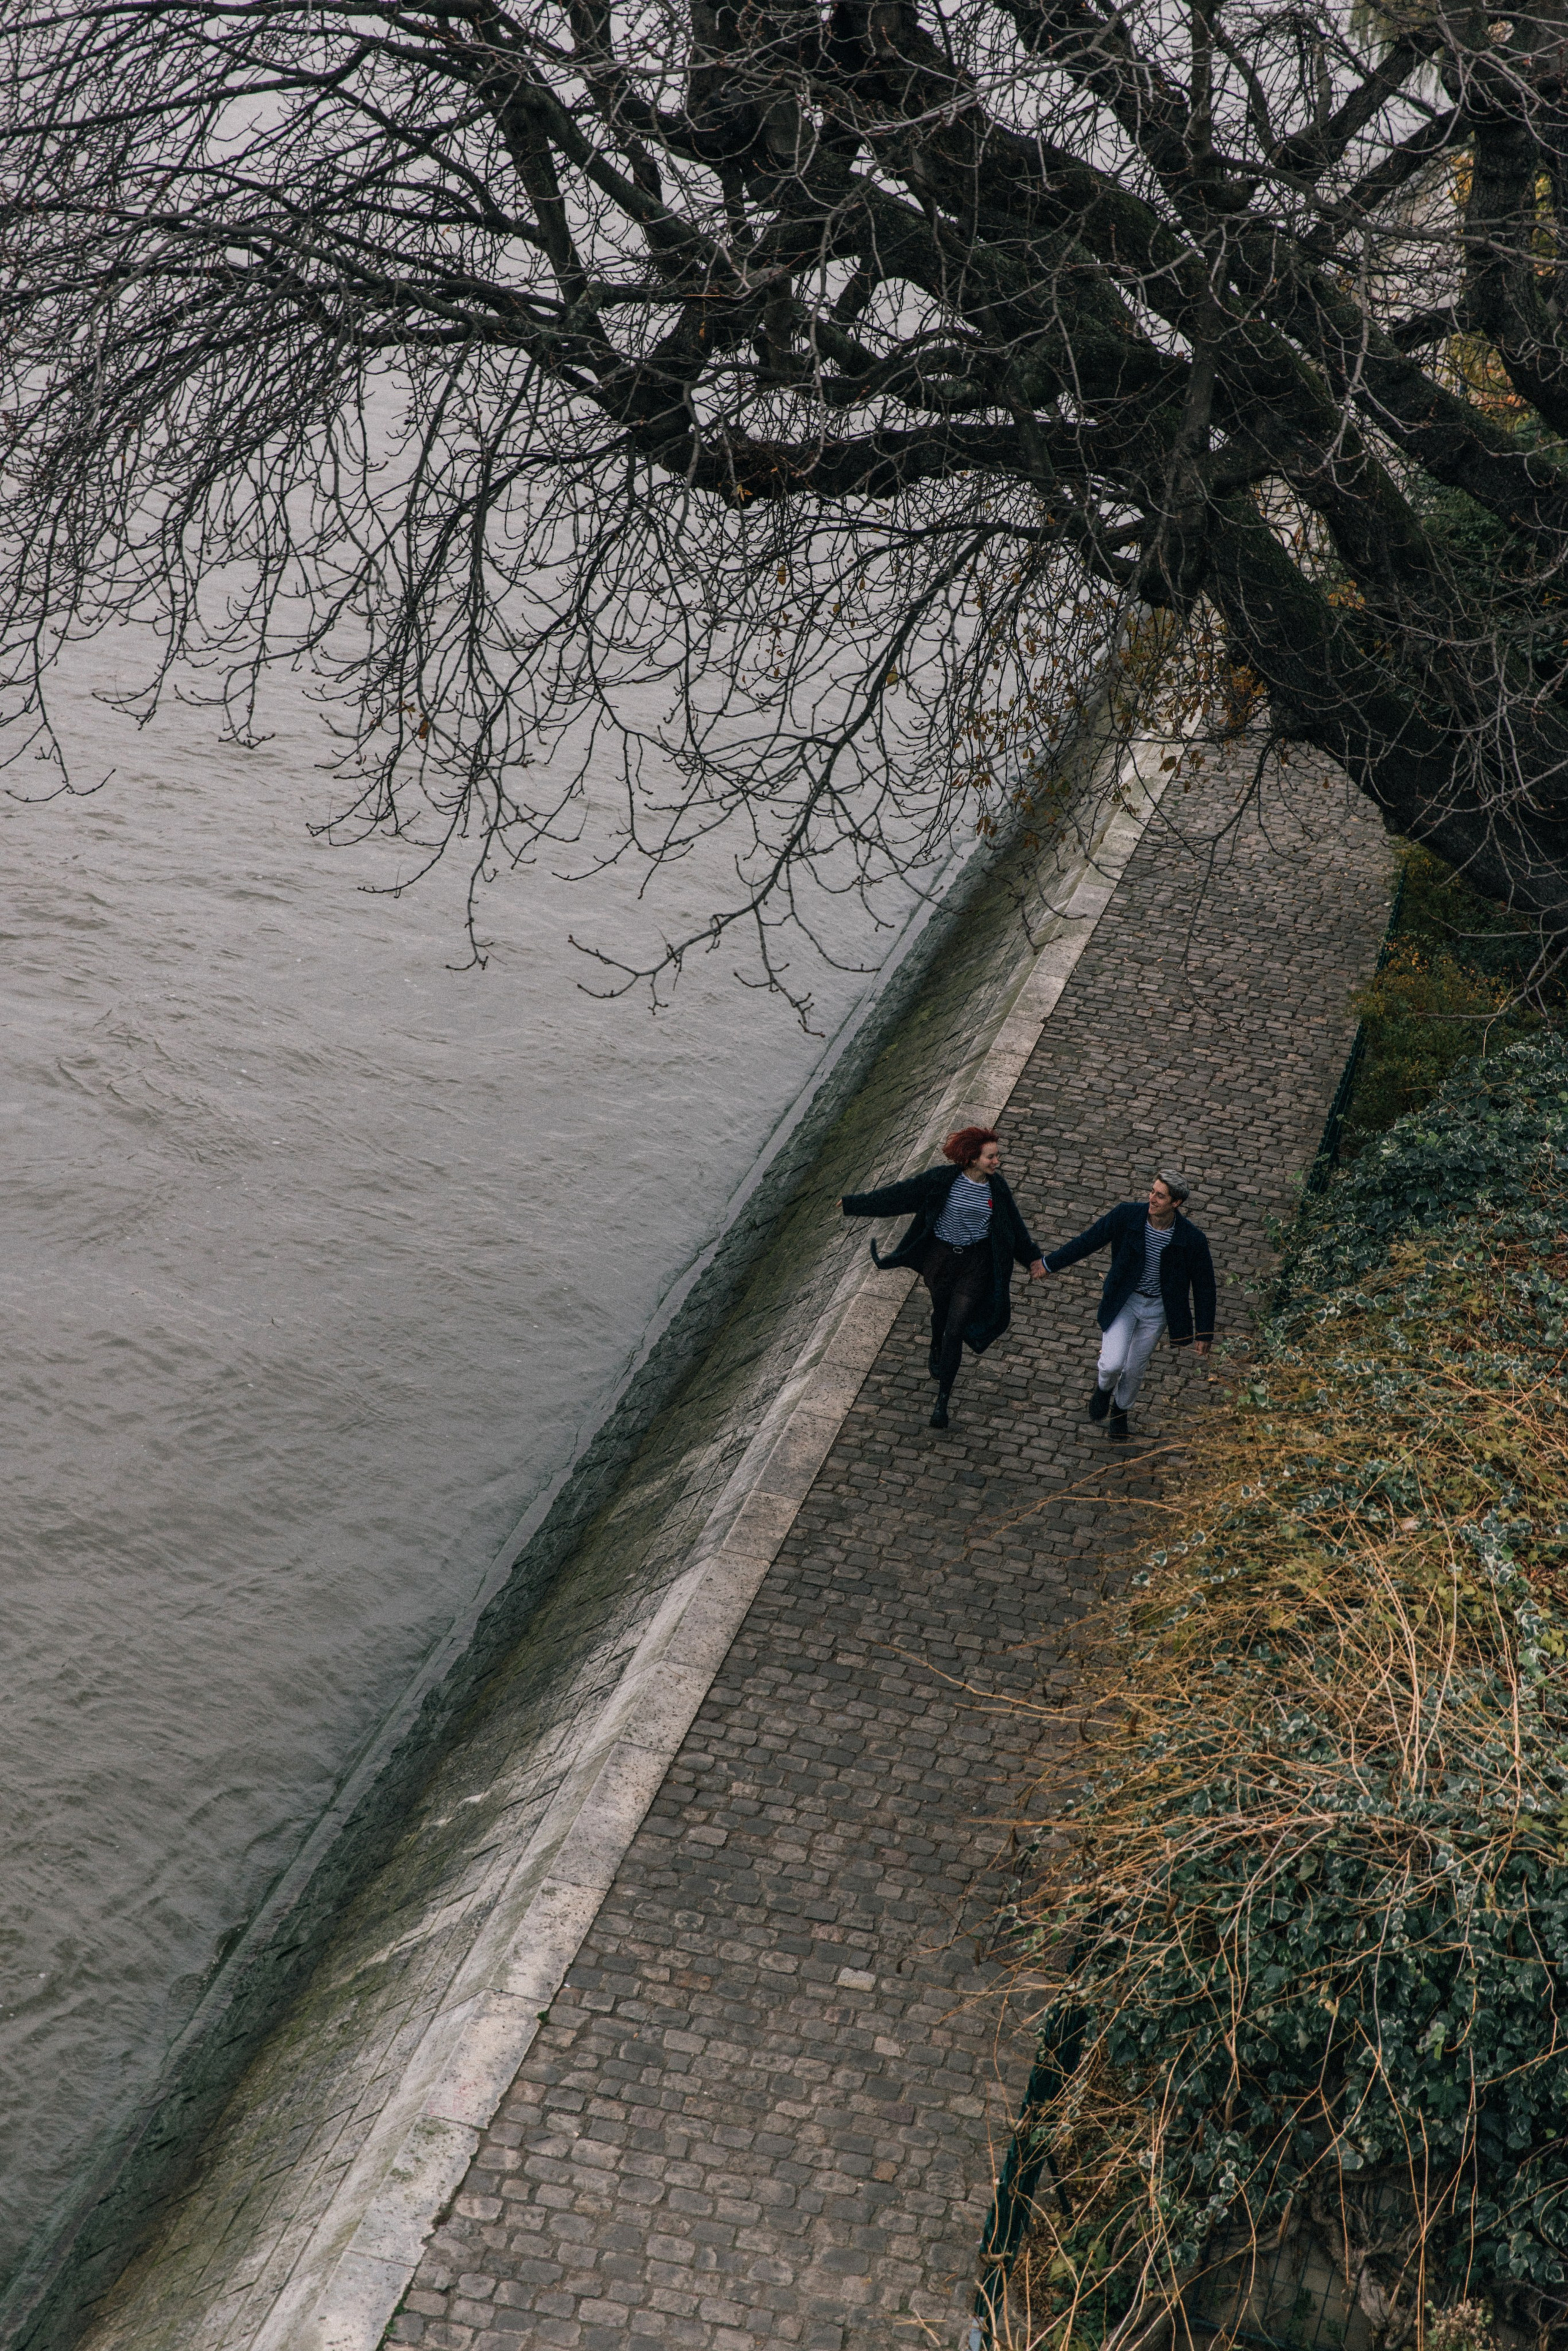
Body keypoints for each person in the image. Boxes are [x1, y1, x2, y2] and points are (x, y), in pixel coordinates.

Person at [841, 1127, 1046, 1428]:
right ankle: (936, 1339)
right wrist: (853, 1205)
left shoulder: (996, 1189)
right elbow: (899, 1196)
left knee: (956, 1328)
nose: (997, 1162)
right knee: (942, 1313)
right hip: (941, 1260)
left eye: (997, 1156)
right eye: (992, 1156)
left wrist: (1032, 1259)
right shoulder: (942, 1180)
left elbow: (1013, 1227)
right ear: (972, 1159)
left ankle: (942, 1402)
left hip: (976, 1265)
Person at [1041, 1173, 1215, 1441]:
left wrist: (1204, 1333)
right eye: (1152, 1191)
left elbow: (1204, 1286)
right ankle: (1103, 1388)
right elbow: (1089, 1241)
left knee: (1134, 1368)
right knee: (1111, 1365)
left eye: (1160, 1195)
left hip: (1157, 1310)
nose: (1152, 1198)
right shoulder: (1127, 1216)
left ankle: (1120, 1413)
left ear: (1176, 1203)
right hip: (1125, 1300)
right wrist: (1049, 1264)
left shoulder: (1192, 1240)